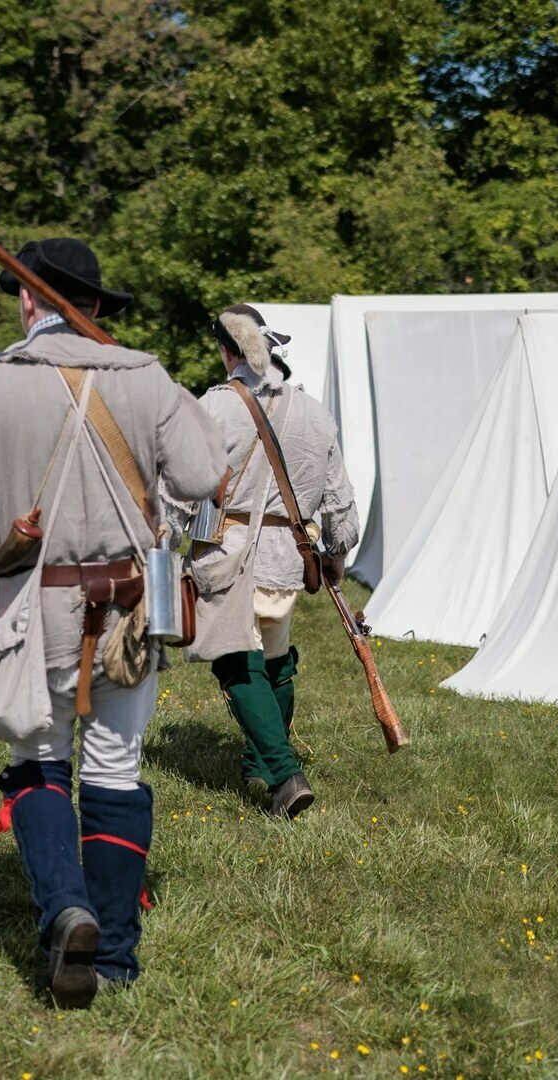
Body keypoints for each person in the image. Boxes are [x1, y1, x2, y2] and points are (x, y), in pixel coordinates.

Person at [0, 238, 225, 1008]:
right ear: (92, 307)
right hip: (130, 605)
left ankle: (66, 910)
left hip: (32, 609)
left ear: (28, 301)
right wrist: (163, 391)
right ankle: (114, 955)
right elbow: (199, 475)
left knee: (38, 759)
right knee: (116, 766)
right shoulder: (147, 376)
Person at [179, 303, 359, 819]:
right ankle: (259, 762)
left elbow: (182, 487)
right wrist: (337, 553)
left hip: (230, 555)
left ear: (226, 350)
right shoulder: (315, 412)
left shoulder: (214, 407)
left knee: (237, 663)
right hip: (290, 558)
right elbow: (340, 500)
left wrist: (161, 536)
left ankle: (283, 775)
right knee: (275, 664)